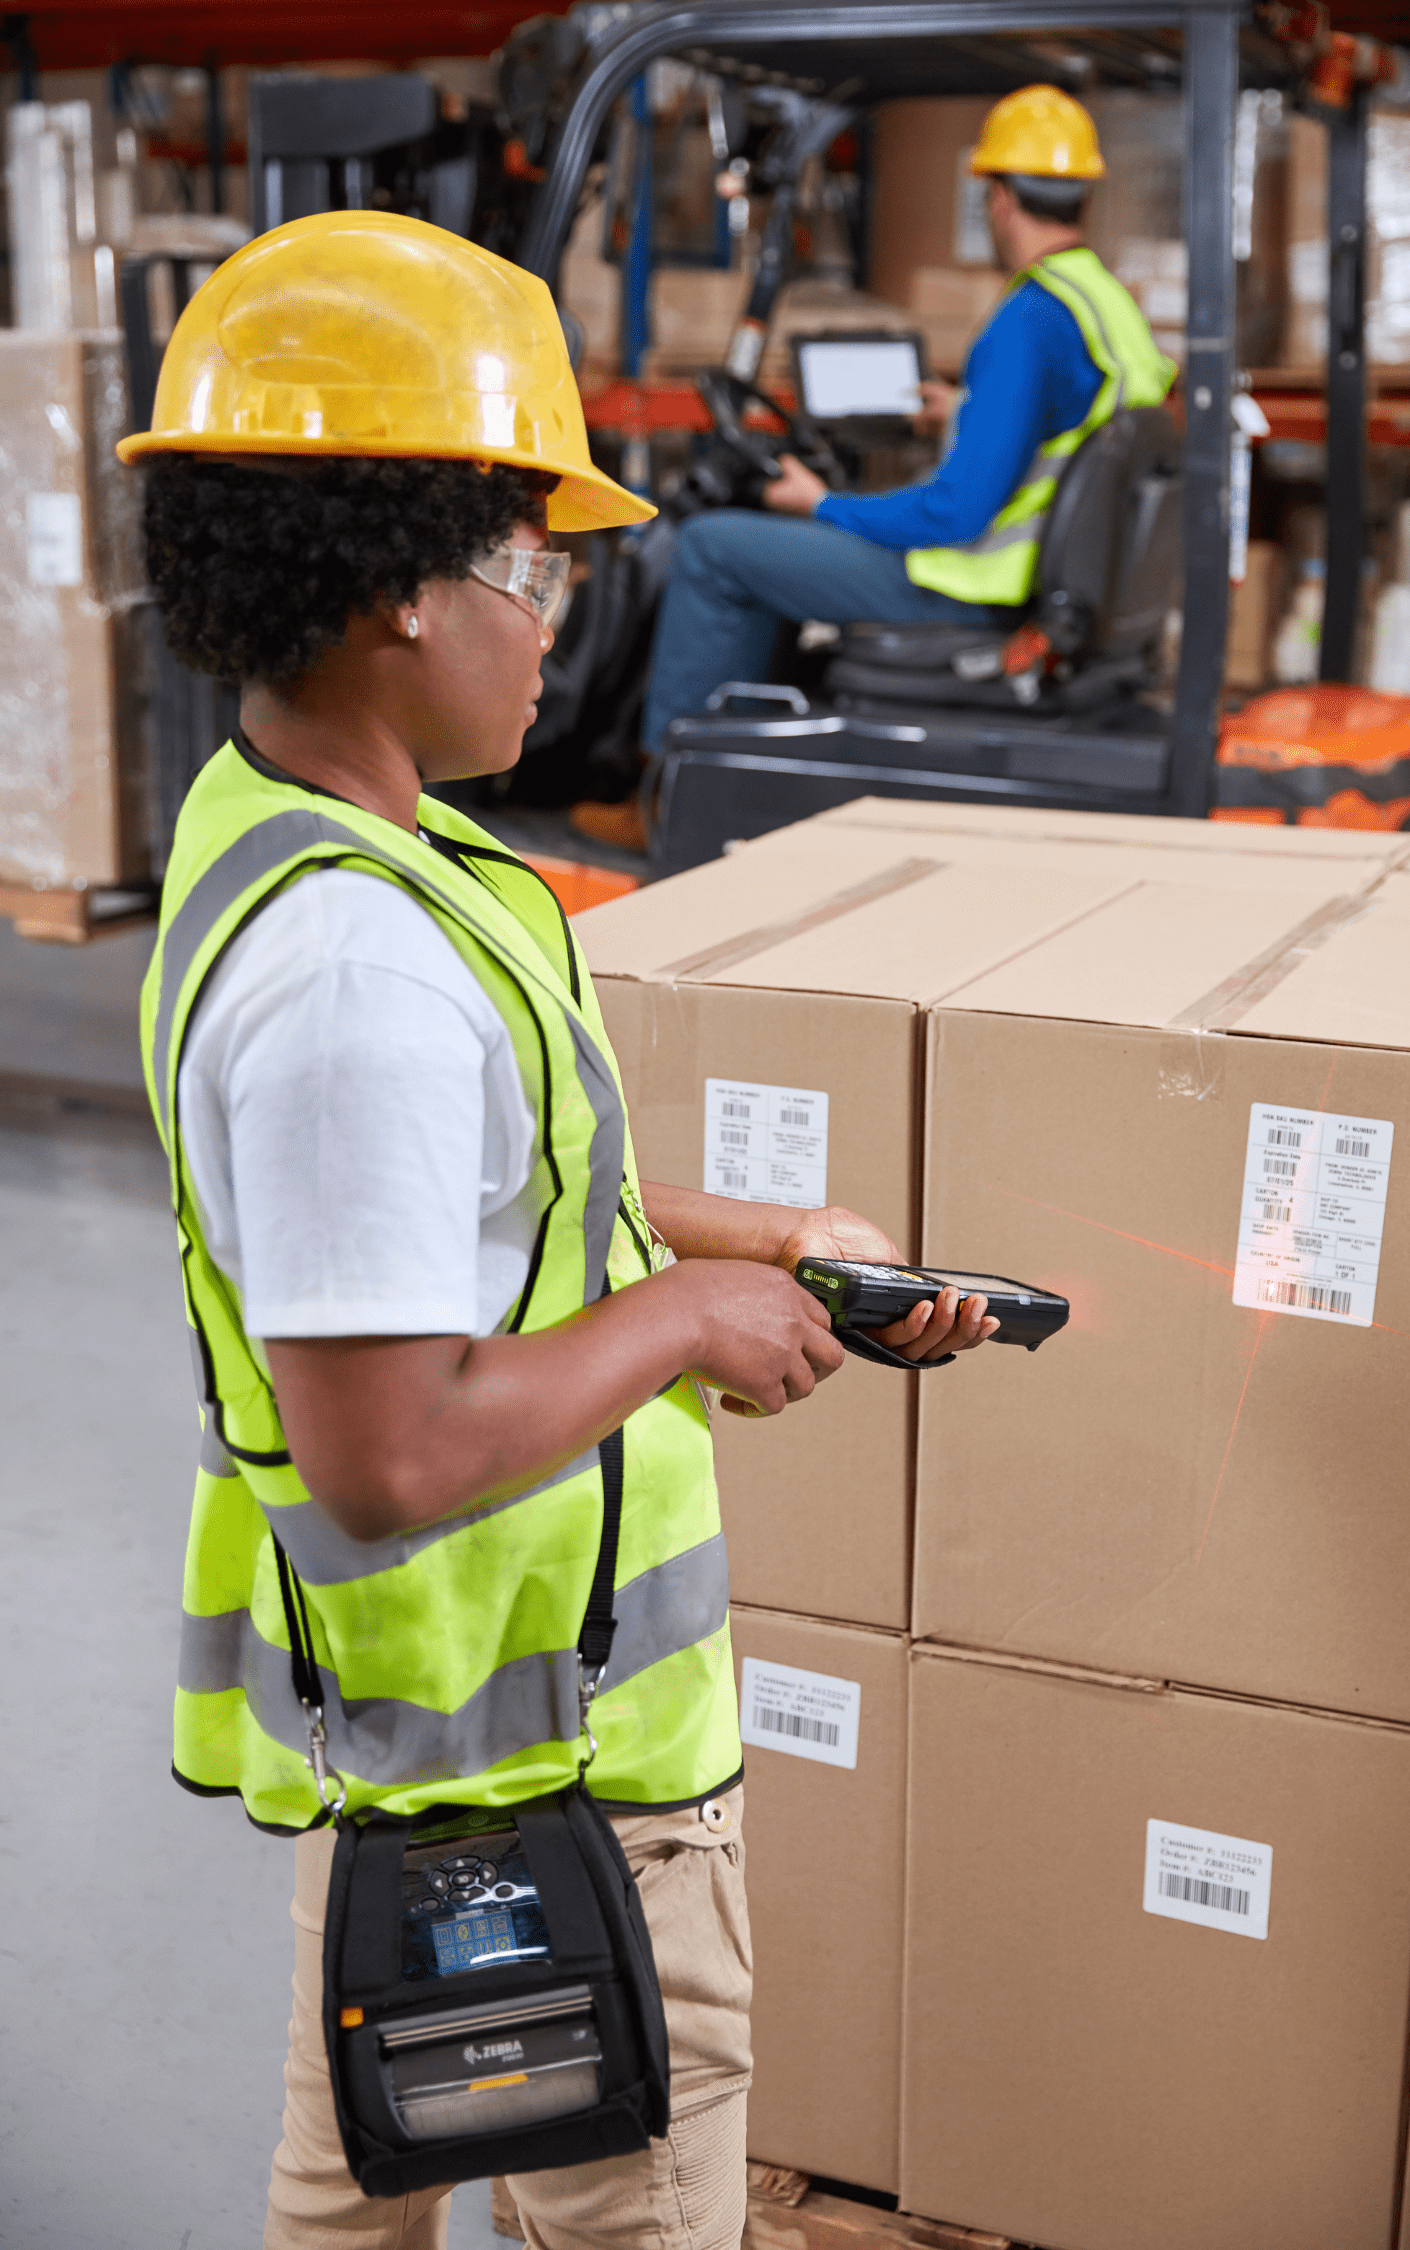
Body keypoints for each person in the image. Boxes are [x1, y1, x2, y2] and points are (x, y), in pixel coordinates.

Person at [119, 210, 998, 2250]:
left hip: (433, 1756)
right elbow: (390, 1447)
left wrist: (764, 1242)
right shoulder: (358, 977)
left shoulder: (330, 835)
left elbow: (489, 1206)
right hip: (556, 1771)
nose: (562, 610)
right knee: (617, 2208)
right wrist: (687, 1321)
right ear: (400, 590)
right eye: (536, 561)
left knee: (359, 2181)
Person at [639, 83, 1178, 758]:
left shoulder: (1028, 320)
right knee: (766, 547)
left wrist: (824, 503)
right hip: (1057, 586)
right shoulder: (1106, 304)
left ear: (1000, 200)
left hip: (973, 586)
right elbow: (1079, 428)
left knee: (712, 548)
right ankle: (753, 744)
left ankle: (666, 781)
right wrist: (970, 414)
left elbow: (953, 515)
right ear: (1087, 200)